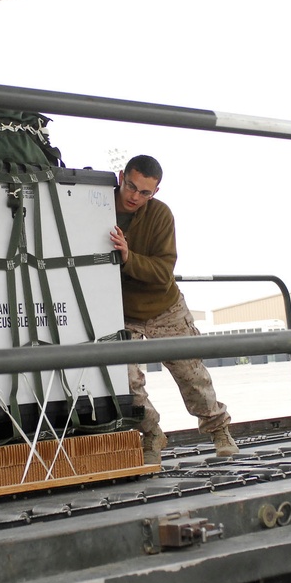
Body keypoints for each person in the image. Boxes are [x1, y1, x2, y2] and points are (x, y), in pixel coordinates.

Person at [109, 155, 238, 465]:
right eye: (131, 187)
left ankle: (220, 432)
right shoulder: (95, 207)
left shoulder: (160, 215)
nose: (135, 197)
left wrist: (128, 257)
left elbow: (163, 271)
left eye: (145, 193)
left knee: (192, 375)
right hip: (120, 312)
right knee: (126, 383)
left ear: (155, 192)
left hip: (165, 307)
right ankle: (151, 434)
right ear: (121, 176)